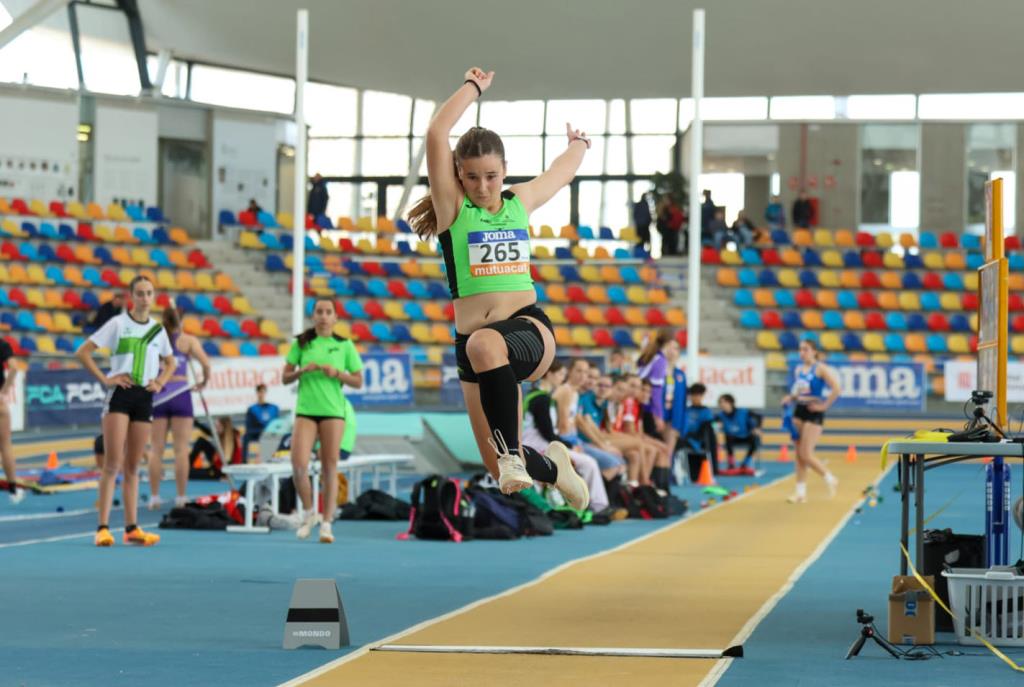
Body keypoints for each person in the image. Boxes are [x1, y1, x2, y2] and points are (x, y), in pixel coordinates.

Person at [407, 66, 590, 509]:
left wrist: (580, 145)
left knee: (488, 345)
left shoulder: (518, 203)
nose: (483, 186)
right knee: (496, 467)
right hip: (472, 345)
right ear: (458, 176)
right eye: (472, 177)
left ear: (504, 170)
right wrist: (473, 89)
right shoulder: (453, 211)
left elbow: (559, 173)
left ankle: (512, 455)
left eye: (492, 176)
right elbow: (437, 132)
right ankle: (553, 466)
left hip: (527, 330)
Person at [76, 275, 175, 547]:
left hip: (144, 397)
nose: (145, 298)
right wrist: (106, 378)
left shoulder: (157, 329)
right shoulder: (118, 324)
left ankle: (132, 528)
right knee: (112, 464)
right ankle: (103, 528)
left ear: (154, 297)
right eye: (140, 293)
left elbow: (171, 362)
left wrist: (161, 382)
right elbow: (83, 352)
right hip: (120, 395)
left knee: (132, 467)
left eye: (149, 293)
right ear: (132, 296)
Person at [282, 298, 363, 543]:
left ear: (335, 317)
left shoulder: (344, 345)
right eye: (319, 311)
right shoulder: (302, 343)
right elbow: (285, 378)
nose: (324, 316)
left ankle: (326, 523)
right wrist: (301, 371)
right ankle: (309, 514)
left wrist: (337, 373)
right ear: (313, 316)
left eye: (328, 312)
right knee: (298, 464)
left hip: (333, 411)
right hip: (306, 410)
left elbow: (358, 381)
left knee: (330, 467)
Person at [522, 362, 610, 513]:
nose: (562, 378)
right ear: (549, 374)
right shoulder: (540, 399)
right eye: (560, 374)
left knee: (585, 461)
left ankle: (590, 504)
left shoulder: (545, 398)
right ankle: (598, 506)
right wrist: (569, 445)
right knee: (589, 463)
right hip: (538, 446)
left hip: (544, 443)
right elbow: (547, 433)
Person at [147, 307, 211, 510]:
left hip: (159, 393)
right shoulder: (188, 341)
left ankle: (155, 497)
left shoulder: (154, 339)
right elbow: (207, 364)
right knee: (181, 450)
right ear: (181, 320)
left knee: (156, 449)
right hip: (181, 393)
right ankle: (181, 497)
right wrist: (204, 382)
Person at [781, 339, 841, 503]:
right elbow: (798, 391)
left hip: (813, 411)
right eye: (800, 349)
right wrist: (790, 397)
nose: (802, 352)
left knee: (806, 453)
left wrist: (824, 406)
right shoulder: (799, 369)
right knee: (799, 455)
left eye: (806, 349)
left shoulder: (820, 369)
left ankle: (829, 477)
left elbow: (836, 388)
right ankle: (800, 493)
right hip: (799, 410)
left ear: (814, 351)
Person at [715, 393, 762, 476]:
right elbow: (712, 424)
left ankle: (745, 464)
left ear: (731, 403)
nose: (721, 405)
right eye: (720, 403)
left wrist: (757, 427)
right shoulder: (720, 416)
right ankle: (731, 464)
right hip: (732, 438)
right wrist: (716, 426)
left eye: (723, 402)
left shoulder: (743, 411)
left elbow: (758, 417)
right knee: (728, 437)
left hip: (746, 436)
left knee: (755, 439)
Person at [0, 338, 23, 504]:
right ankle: (13, 489)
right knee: (5, 444)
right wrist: (4, 391)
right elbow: (14, 367)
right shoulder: (2, 344)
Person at [682, 383, 717, 479]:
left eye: (698, 395)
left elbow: (705, 432)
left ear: (702, 396)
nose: (695, 398)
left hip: (695, 441)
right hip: (684, 438)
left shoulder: (706, 412)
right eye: (693, 395)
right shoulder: (686, 410)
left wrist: (691, 437)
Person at [243, 384, 280, 461]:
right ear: (257, 393)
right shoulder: (252, 409)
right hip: (257, 438)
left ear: (265, 393)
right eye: (259, 392)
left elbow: (277, 425)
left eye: (263, 392)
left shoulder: (273, 408)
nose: (261, 394)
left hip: (271, 438)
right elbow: (249, 428)